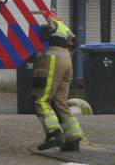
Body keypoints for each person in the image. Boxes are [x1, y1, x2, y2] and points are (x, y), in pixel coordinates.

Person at [32, 12, 85, 152]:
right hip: (66, 58)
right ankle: (73, 139)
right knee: (60, 102)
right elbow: (73, 39)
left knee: (42, 100)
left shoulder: (45, 17)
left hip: (54, 57)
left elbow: (44, 34)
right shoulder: (59, 21)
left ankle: (53, 134)